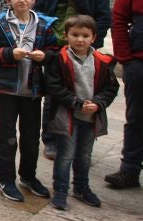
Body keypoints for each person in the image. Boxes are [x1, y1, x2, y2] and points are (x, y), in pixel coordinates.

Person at [0, 0, 58, 202]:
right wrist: (7, 54)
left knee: (31, 136)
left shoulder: (44, 25)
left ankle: (28, 175)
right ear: (8, 0)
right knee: (6, 136)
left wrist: (44, 56)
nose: (22, 0)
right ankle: (5, 178)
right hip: (6, 89)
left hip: (32, 89)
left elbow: (55, 51)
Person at [34, 0, 111, 159]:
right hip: (54, 50)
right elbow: (38, 15)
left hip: (84, 50)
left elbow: (104, 18)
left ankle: (82, 137)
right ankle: (50, 139)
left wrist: (92, 43)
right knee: (52, 95)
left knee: (84, 92)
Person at [45, 15, 119, 210]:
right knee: (65, 155)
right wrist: (75, 103)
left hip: (90, 117)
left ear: (93, 37)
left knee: (84, 155)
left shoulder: (102, 61)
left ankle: (81, 187)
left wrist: (98, 103)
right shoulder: (59, 59)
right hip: (67, 117)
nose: (80, 39)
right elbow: (53, 86)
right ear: (66, 35)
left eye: (85, 35)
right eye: (75, 34)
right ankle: (60, 190)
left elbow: (111, 87)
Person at [105, 0, 143, 189]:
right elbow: (119, 20)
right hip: (141, 66)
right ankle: (130, 170)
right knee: (136, 120)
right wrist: (126, 59)